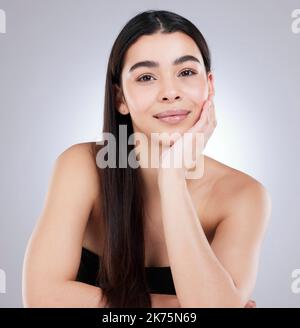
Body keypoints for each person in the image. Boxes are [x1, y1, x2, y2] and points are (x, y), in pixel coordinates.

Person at [22, 9, 271, 308]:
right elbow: (41, 299)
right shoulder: (81, 166)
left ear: (210, 85)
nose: (170, 92)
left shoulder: (244, 195)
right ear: (120, 99)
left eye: (186, 72)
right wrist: (180, 307)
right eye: (146, 77)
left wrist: (172, 178)